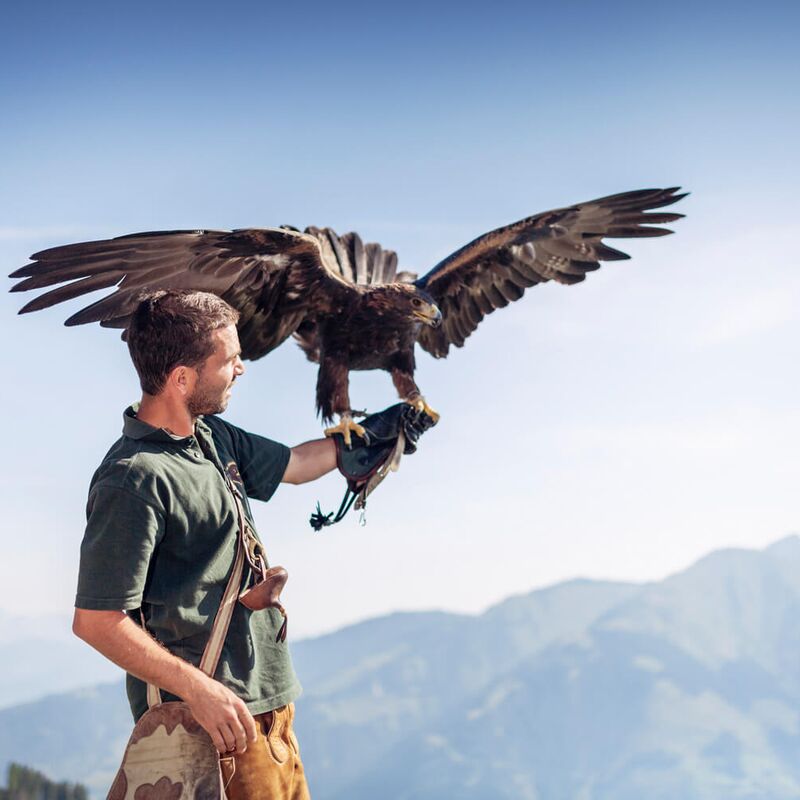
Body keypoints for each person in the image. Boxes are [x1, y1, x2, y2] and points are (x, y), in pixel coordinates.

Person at [72, 290, 340, 799]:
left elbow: (299, 466)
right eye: (230, 360)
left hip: (272, 714)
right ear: (181, 379)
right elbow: (97, 621)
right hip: (211, 734)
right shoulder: (133, 479)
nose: (240, 369)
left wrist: (373, 438)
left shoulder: (212, 437)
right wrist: (200, 691)